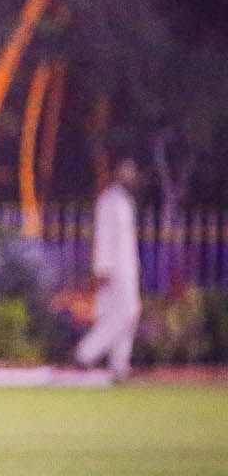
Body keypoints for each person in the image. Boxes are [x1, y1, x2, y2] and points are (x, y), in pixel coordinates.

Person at [75, 158, 141, 380]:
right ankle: (86, 353)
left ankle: (119, 366)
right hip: (113, 268)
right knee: (127, 312)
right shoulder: (108, 201)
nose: (129, 176)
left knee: (126, 315)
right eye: (125, 171)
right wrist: (102, 269)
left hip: (128, 266)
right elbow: (103, 237)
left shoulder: (125, 201)